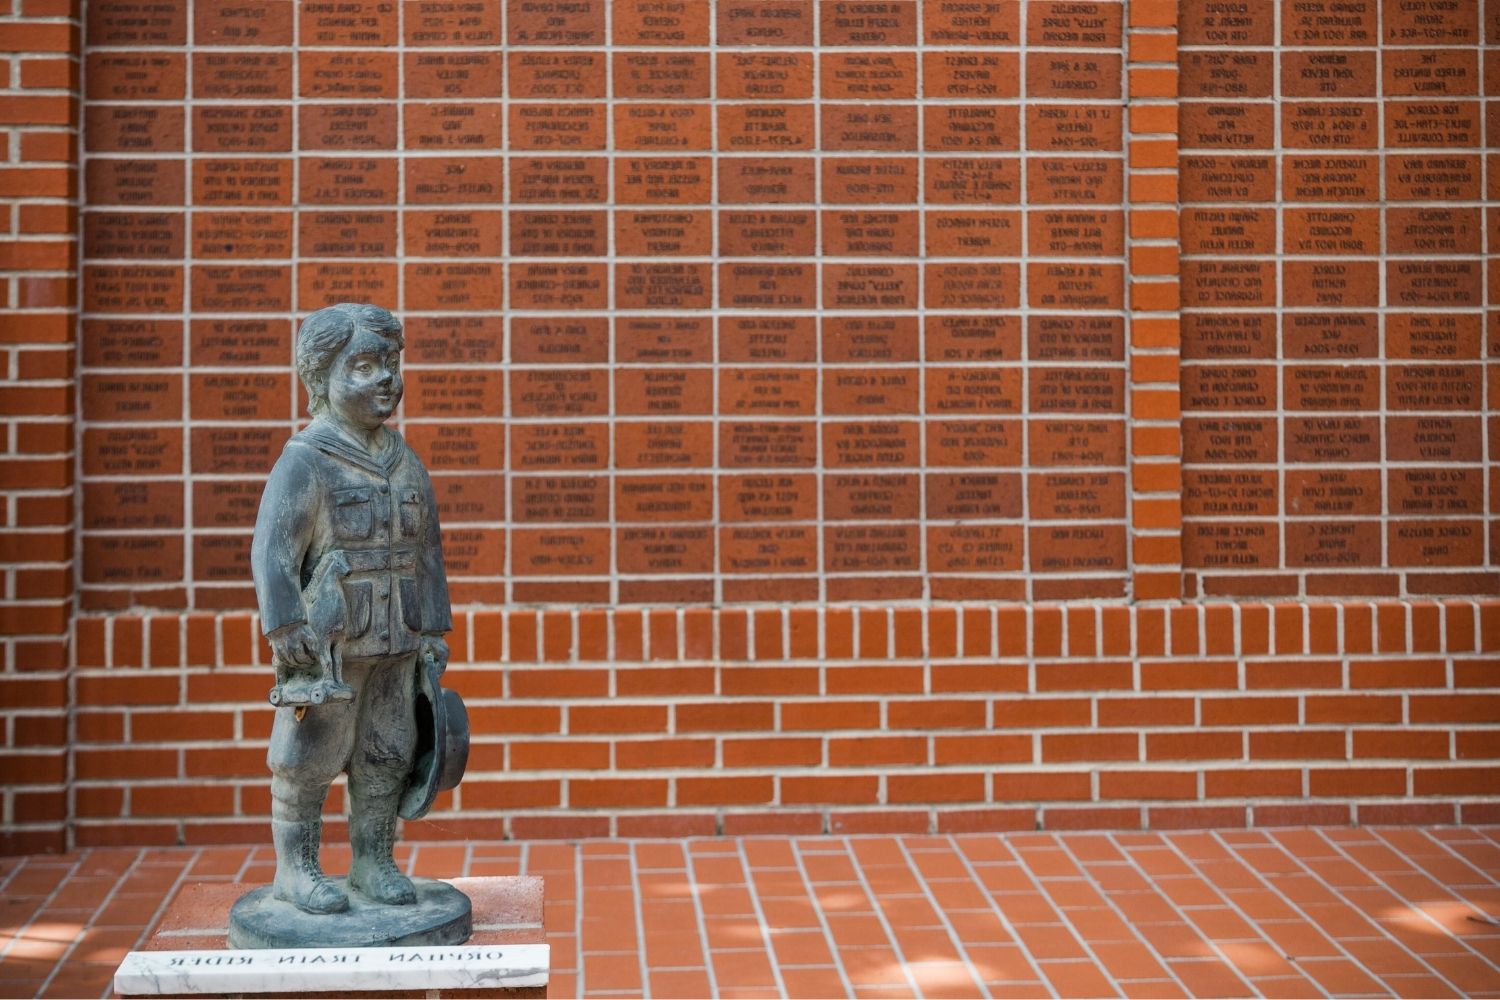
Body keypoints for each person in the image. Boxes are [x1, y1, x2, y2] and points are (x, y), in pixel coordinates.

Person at [252, 302, 451, 914]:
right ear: (321, 377)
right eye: (363, 366)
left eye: (391, 363)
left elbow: (428, 552)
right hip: (330, 642)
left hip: (397, 638)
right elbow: (273, 552)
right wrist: (285, 622)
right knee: (309, 755)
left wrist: (433, 628)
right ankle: (297, 870)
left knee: (387, 751)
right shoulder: (305, 460)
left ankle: (373, 861)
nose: (385, 378)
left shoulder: (406, 462)